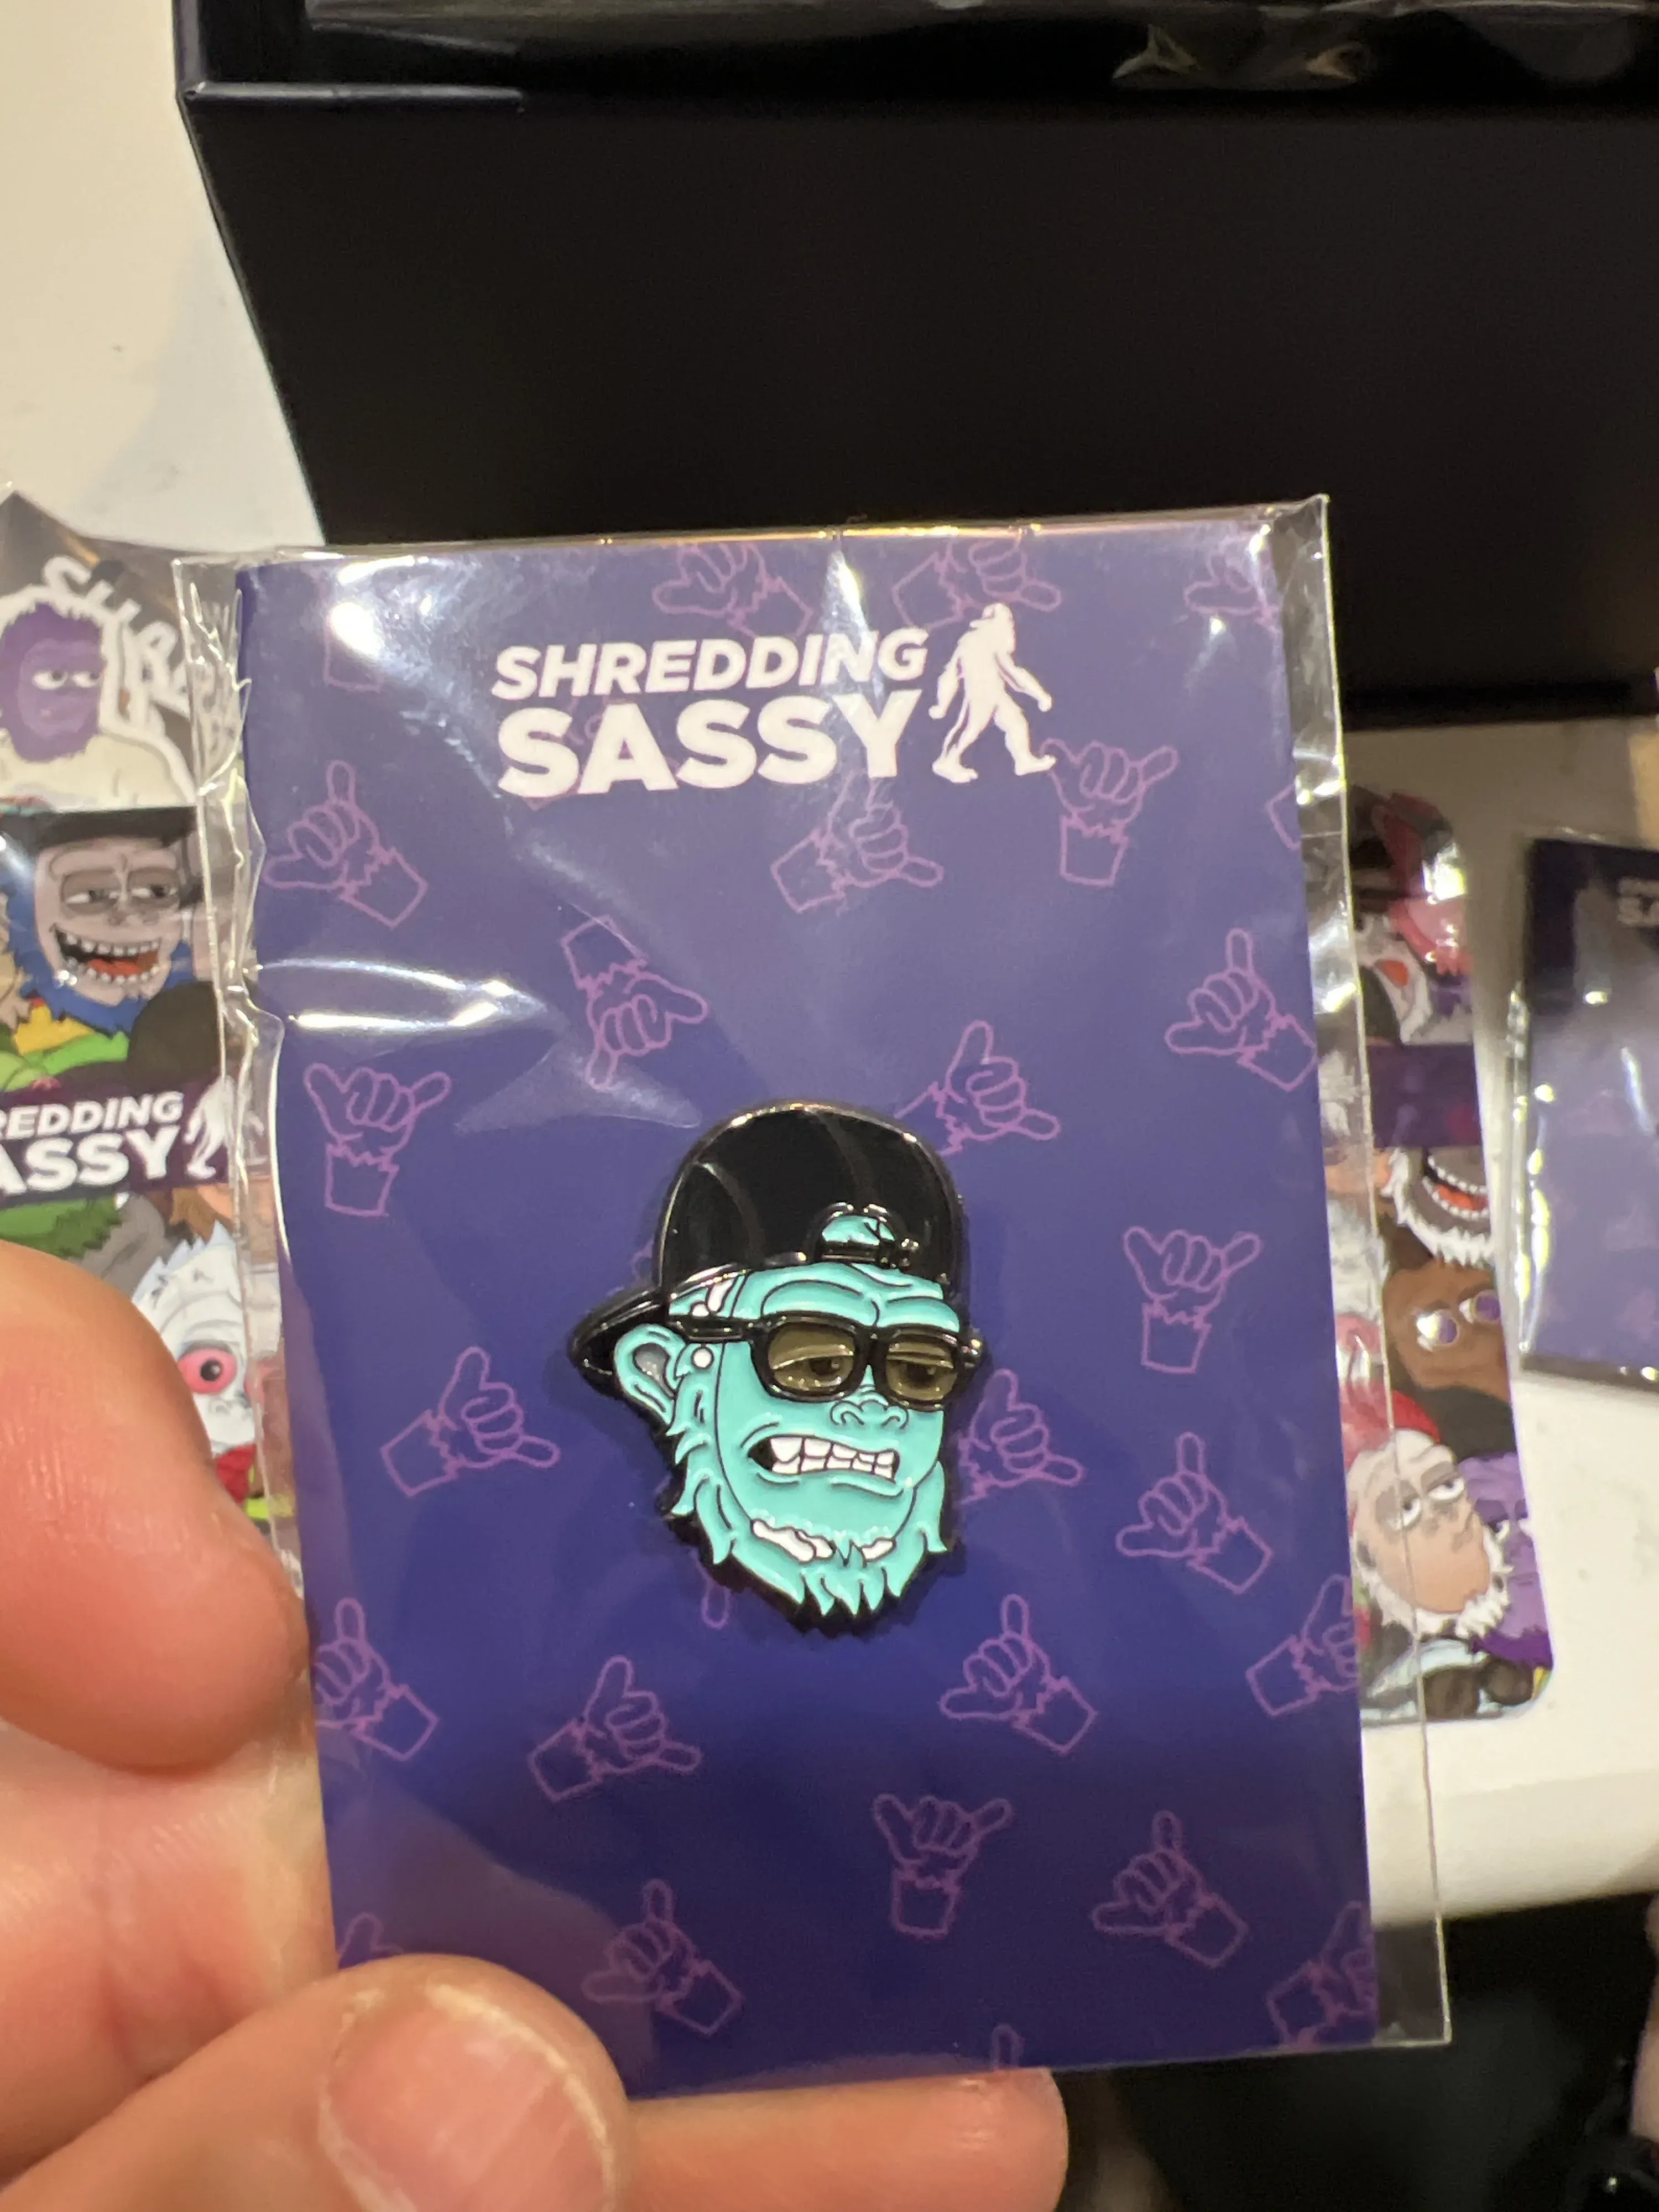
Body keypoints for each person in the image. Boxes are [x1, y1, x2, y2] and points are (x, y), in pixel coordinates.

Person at [0, 1240, 1068, 2211]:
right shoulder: (497, 1568)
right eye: (811, 1356)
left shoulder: (1003, 1627)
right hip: (541, 1981)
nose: (873, 1408)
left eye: (919, 1368)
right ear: (665, 1373)